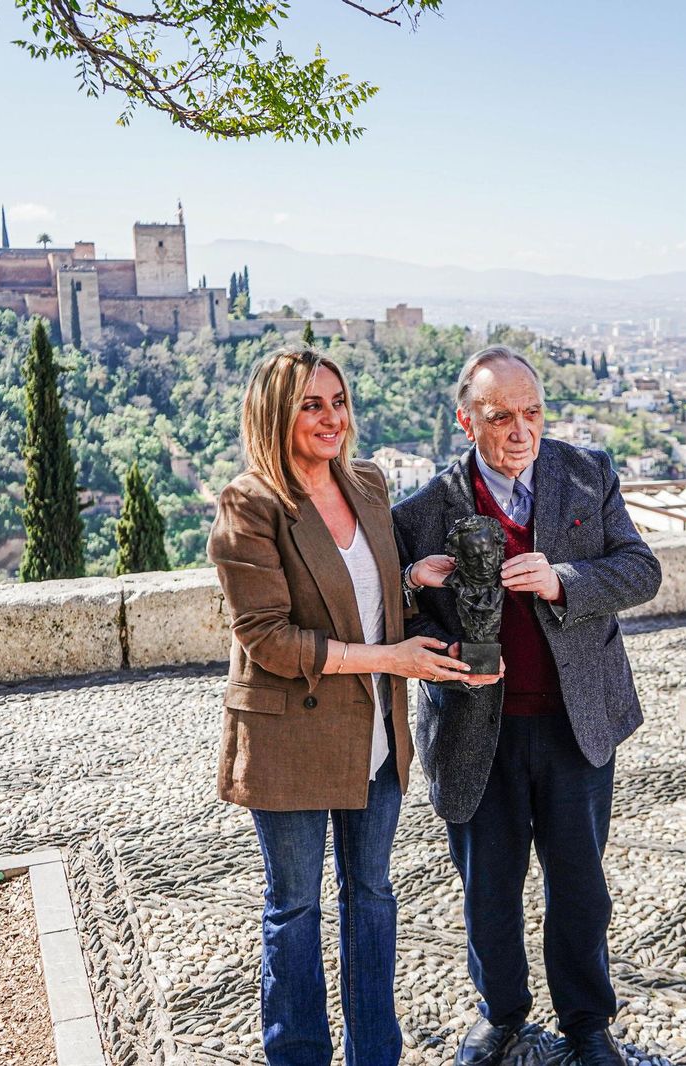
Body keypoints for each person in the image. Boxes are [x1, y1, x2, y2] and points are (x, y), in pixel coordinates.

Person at [208, 346, 483, 1066]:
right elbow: (267, 638)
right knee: (294, 907)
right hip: (289, 737)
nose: (332, 417)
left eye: (337, 401)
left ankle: (375, 1055)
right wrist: (393, 660)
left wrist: (412, 580)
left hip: (375, 734)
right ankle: (296, 1055)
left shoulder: (365, 482)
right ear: (277, 413)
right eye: (311, 404)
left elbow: (365, 596)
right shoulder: (250, 504)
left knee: (371, 896)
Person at [393, 346, 662, 1066]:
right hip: (477, 730)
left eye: (533, 413)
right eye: (501, 416)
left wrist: (563, 579)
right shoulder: (421, 510)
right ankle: (501, 1012)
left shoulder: (587, 473)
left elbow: (641, 570)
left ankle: (586, 1021)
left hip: (578, 722)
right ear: (465, 420)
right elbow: (395, 615)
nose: (521, 431)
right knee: (488, 888)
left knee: (580, 884)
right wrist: (432, 619)